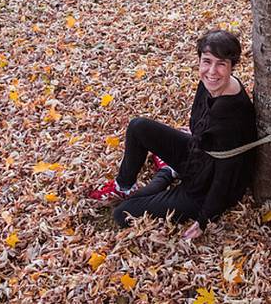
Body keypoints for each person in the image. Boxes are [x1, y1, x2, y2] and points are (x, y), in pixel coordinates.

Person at [88, 30, 257, 240]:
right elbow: (198, 125)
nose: (212, 71)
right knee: (138, 127)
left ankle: (166, 173)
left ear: (232, 66)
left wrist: (205, 218)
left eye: (221, 63)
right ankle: (124, 185)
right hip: (197, 154)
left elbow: (227, 175)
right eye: (206, 61)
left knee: (123, 212)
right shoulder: (209, 84)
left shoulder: (231, 116)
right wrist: (188, 139)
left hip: (203, 188)